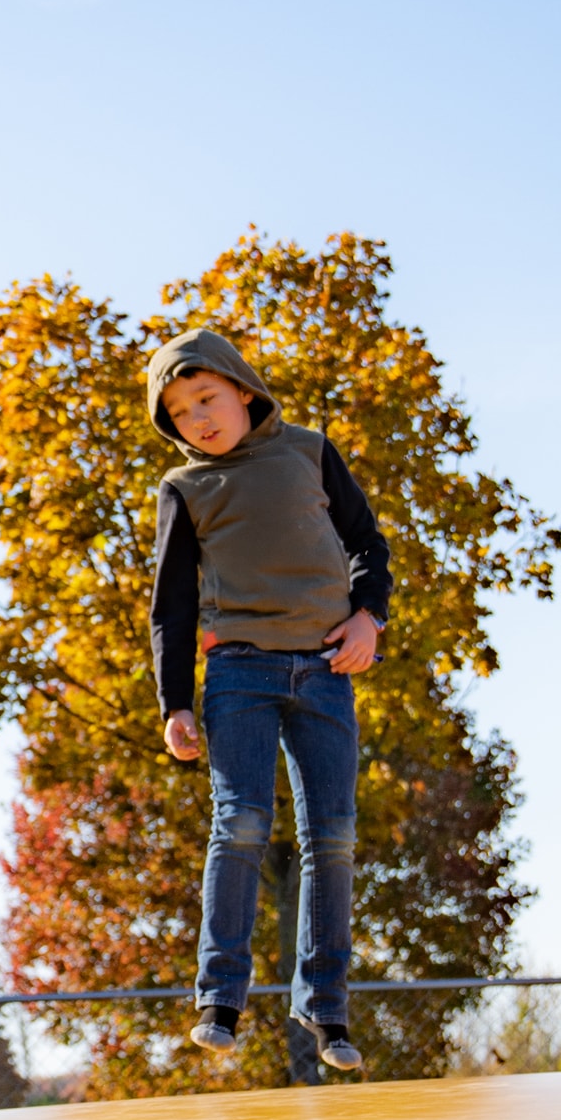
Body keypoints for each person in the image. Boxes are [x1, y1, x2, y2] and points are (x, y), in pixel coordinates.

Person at [147, 328, 392, 1073]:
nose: (200, 419)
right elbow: (172, 604)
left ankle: (326, 1008)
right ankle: (219, 996)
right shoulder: (185, 490)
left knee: (334, 835)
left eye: (208, 399)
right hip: (239, 673)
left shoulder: (309, 452)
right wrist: (174, 702)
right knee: (243, 820)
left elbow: (367, 544)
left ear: (243, 389)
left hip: (324, 668)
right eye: (182, 412)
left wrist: (368, 617)